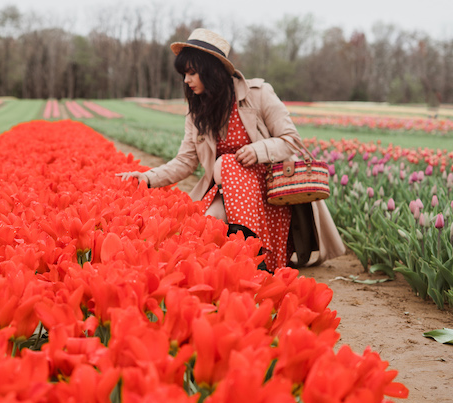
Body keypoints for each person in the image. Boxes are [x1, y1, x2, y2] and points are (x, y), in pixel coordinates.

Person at [117, 28, 345, 271]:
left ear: (212, 71)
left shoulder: (258, 94)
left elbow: (291, 140)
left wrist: (258, 150)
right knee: (207, 227)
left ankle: (253, 250)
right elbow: (185, 161)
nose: (186, 80)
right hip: (226, 191)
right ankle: (244, 246)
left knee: (226, 163)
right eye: (184, 74)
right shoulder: (197, 113)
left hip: (268, 191)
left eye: (192, 73)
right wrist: (147, 178)